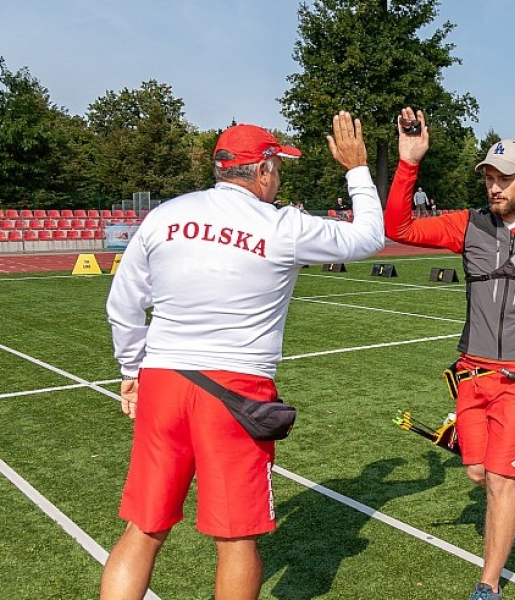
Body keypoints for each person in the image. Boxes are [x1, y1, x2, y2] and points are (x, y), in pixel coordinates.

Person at [101, 114, 384, 600]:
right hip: (235, 391)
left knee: (143, 528)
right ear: (264, 169)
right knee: (236, 539)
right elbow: (368, 238)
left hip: (165, 381)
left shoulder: (166, 215)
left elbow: (123, 305)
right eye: (278, 168)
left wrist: (132, 371)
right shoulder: (282, 224)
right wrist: (357, 169)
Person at [385, 107, 515, 600]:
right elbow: (399, 227)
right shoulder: (467, 226)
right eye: (488, 178)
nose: (494, 186)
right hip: (472, 371)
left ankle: (487, 586)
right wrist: (408, 161)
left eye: (504, 178)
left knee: (499, 479)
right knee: (479, 472)